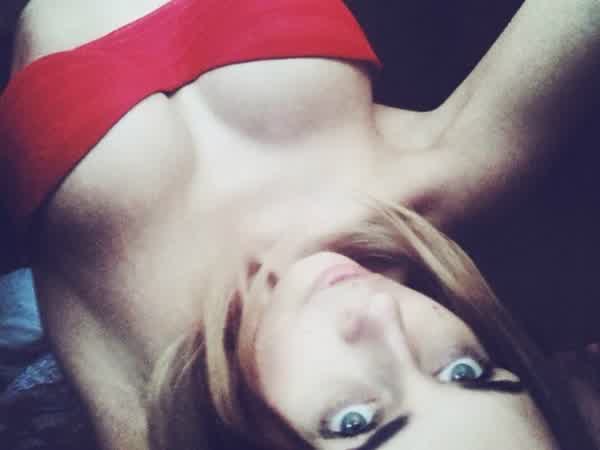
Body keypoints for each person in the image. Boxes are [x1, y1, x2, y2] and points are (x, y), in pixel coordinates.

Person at [0, 0, 598, 449]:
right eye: (464, 371)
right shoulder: (433, 184)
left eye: (354, 422)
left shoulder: (137, 388)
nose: (382, 317)